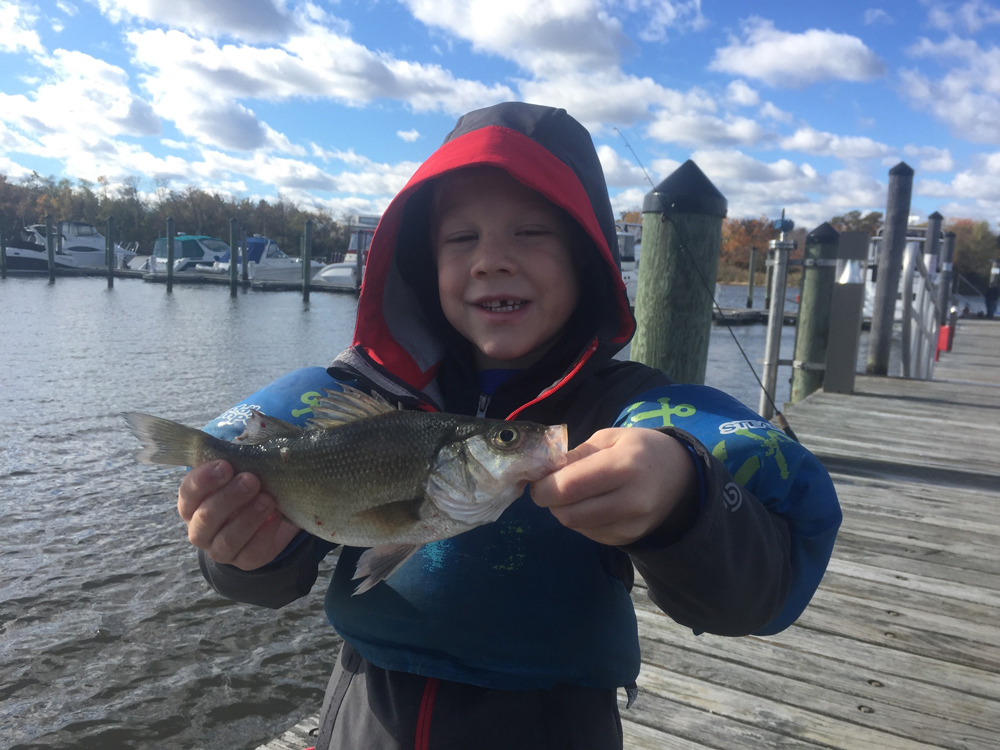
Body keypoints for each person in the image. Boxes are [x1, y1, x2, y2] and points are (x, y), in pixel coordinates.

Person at [177, 102, 841, 749]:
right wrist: (240, 554)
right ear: (419, 263)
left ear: (588, 259)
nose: (491, 258)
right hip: (361, 718)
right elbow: (264, 555)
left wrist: (682, 490)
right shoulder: (358, 400)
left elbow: (771, 576)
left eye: (531, 232)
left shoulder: (636, 410)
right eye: (461, 237)